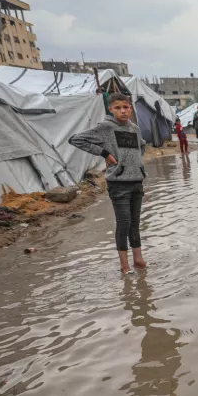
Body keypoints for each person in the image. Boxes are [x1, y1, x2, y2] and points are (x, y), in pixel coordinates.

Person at [69, 93, 147, 275]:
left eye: (126, 107)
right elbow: (76, 139)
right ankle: (124, 265)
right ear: (111, 109)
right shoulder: (105, 128)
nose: (123, 111)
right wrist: (105, 154)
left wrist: (136, 162)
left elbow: (142, 145)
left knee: (135, 223)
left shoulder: (134, 128)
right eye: (118, 108)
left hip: (136, 181)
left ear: (130, 108)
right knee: (124, 223)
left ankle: (138, 259)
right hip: (118, 184)